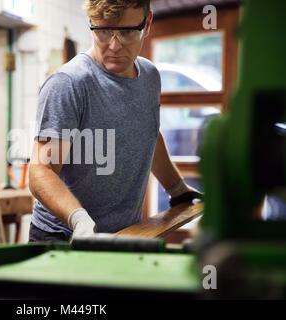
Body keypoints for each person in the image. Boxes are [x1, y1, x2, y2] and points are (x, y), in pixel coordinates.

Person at [28, 0, 202, 242]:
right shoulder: (69, 83)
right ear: (91, 24)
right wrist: (78, 219)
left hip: (121, 234)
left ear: (147, 23)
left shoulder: (149, 77)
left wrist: (176, 189)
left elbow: (148, 134)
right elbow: (41, 171)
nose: (114, 45)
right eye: (103, 31)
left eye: (127, 32)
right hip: (63, 236)